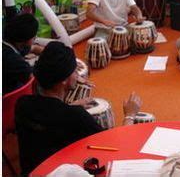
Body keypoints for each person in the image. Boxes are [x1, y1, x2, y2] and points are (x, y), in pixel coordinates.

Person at [15, 42, 142, 175]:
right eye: (75, 71)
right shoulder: (76, 117)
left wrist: (68, 107)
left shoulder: (22, 104)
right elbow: (114, 146)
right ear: (64, 80)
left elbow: (49, 116)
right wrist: (130, 115)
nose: (78, 75)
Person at [2, 13, 44, 94]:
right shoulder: (13, 61)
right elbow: (36, 83)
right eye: (34, 35)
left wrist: (51, 53)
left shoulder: (10, 42)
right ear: (26, 39)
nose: (35, 37)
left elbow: (34, 48)